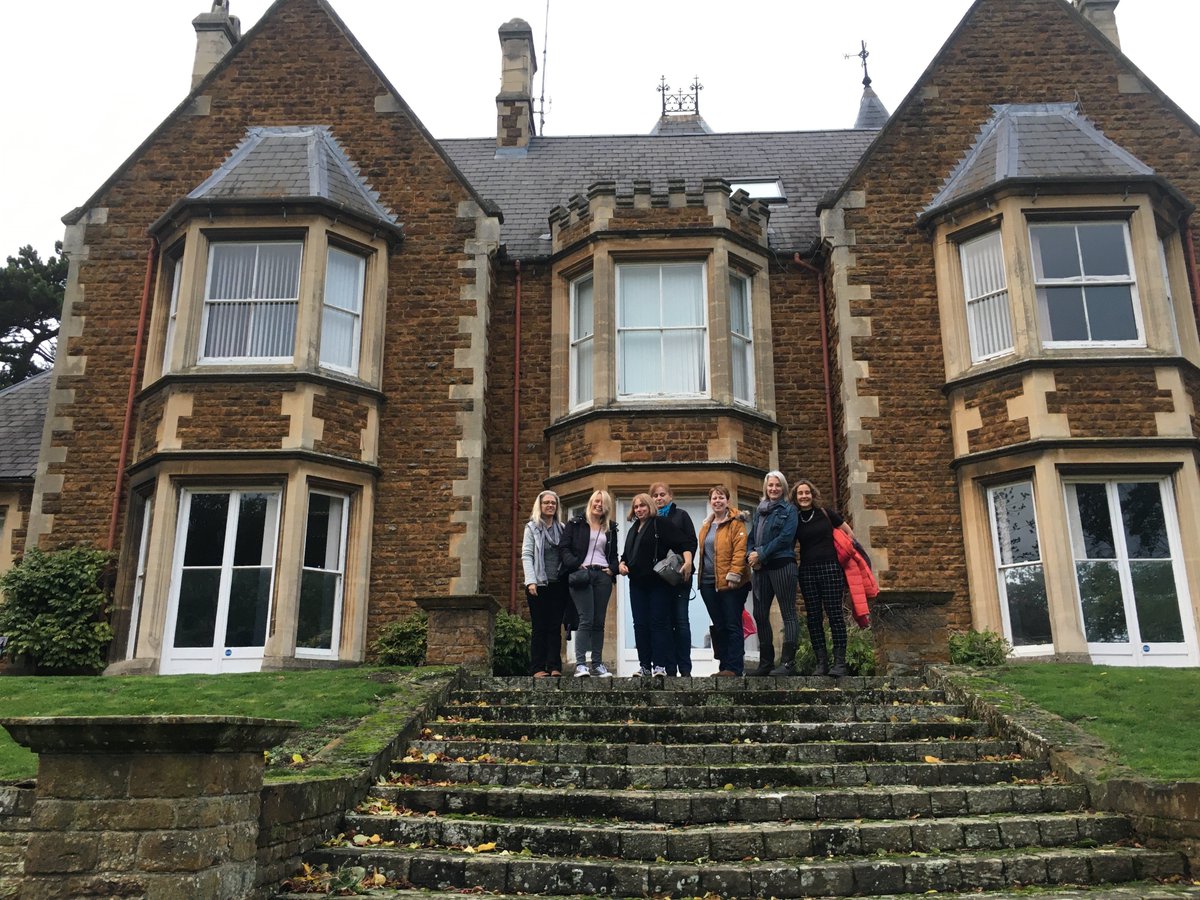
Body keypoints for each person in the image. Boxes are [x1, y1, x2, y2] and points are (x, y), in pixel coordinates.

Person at [792, 478, 857, 677]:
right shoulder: (794, 519)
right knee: (813, 618)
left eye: (807, 493)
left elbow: (849, 534)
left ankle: (840, 663)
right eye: (800, 493)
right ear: (795, 497)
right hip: (807, 571)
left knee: (835, 615)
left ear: (813, 495)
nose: (804, 496)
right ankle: (821, 663)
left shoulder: (826, 513)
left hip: (831, 568)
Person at [619, 492, 686, 677]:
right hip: (637, 583)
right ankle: (645, 666)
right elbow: (626, 556)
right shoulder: (633, 529)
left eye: (643, 506)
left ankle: (660, 666)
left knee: (658, 623)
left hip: (657, 582)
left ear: (650, 506)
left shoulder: (660, 523)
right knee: (640, 624)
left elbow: (683, 543)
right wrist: (621, 564)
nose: (639, 509)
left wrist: (686, 563)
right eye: (636, 506)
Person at [559, 489, 619, 677]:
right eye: (596, 501)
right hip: (581, 575)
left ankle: (597, 663)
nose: (599, 505)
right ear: (591, 502)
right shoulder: (575, 523)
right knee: (586, 619)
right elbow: (564, 548)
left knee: (598, 622)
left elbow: (614, 555)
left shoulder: (611, 528)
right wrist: (576, 565)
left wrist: (612, 569)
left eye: (603, 502)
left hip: (602, 576)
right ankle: (580, 664)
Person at [746, 470, 799, 676]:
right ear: (766, 488)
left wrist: (760, 554)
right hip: (761, 569)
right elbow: (751, 537)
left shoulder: (789, 510)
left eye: (777, 485)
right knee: (759, 614)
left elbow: (785, 538)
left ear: (783, 487)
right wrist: (751, 555)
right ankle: (765, 662)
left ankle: (788, 663)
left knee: (788, 613)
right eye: (770, 485)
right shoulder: (760, 511)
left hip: (782, 565)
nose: (774, 489)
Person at [695, 485, 750, 676]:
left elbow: (740, 550)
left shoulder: (736, 523)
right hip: (709, 583)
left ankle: (734, 668)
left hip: (731, 583)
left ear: (727, 501)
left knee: (732, 623)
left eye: (721, 498)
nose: (717, 501)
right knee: (718, 626)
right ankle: (724, 666)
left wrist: (734, 574)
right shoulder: (706, 526)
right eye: (714, 498)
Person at [649, 482, 698, 676]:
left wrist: (687, 562)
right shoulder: (651, 519)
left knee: (681, 620)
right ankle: (669, 668)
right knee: (665, 623)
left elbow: (691, 542)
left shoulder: (681, 516)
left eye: (662, 495)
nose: (659, 498)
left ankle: (685, 668)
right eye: (655, 495)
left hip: (680, 575)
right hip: (659, 579)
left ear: (670, 496)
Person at [520, 489, 567, 677]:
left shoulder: (562, 529)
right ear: (540, 506)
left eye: (553, 503)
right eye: (546, 502)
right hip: (538, 584)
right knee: (540, 626)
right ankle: (538, 667)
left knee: (555, 627)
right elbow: (527, 555)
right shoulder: (531, 528)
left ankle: (554, 666)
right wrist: (530, 581)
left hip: (558, 583)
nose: (550, 506)